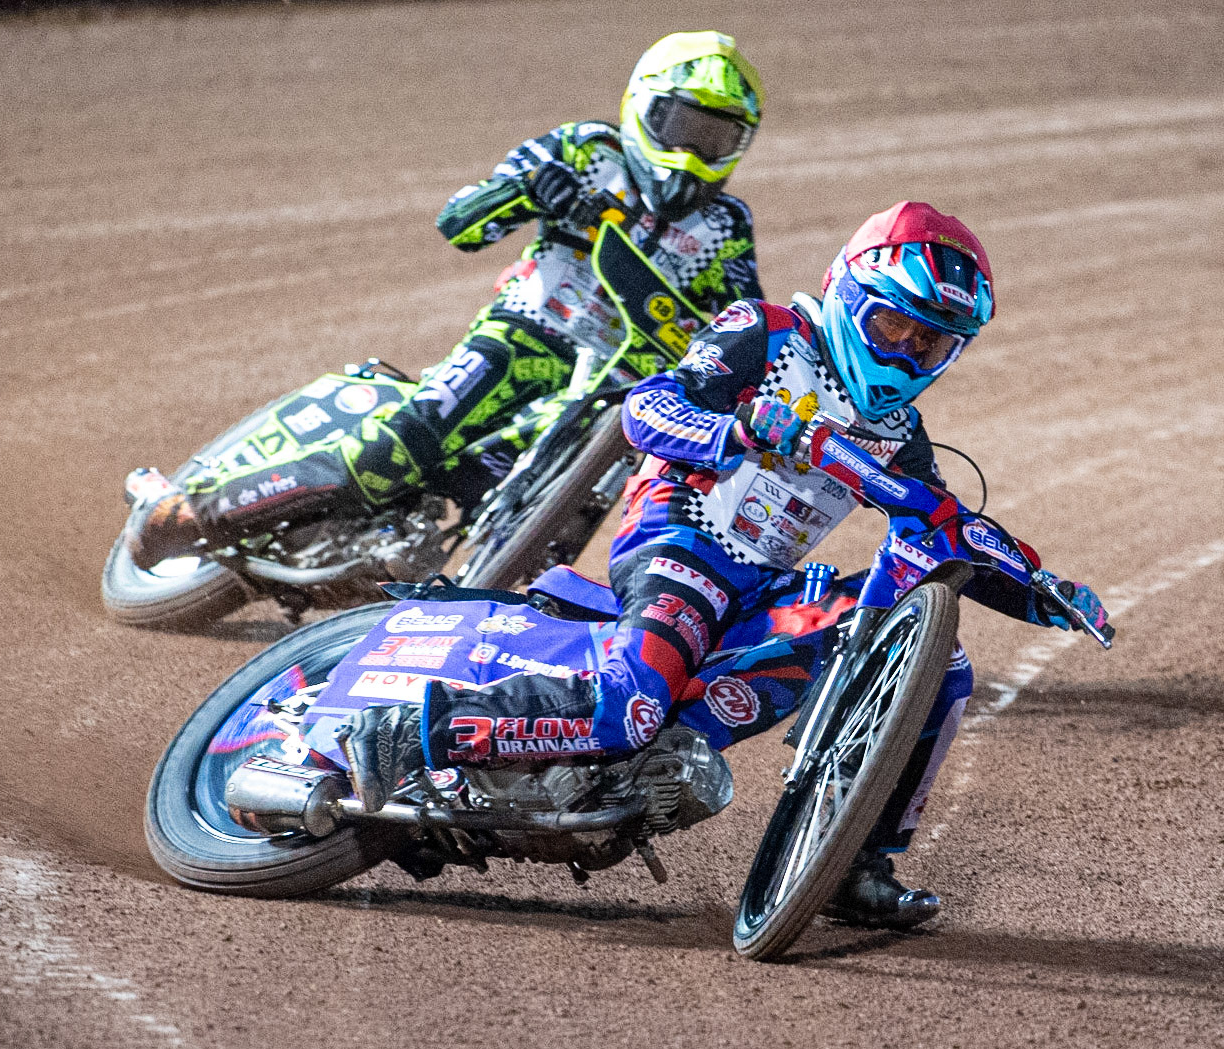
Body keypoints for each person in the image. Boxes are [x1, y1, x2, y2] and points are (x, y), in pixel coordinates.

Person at [344, 201, 1112, 930]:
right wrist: (738, 429)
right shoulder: (770, 332)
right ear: (848, 292)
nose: (908, 351)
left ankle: (855, 863)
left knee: (937, 663)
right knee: (631, 707)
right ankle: (408, 735)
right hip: (680, 536)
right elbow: (644, 408)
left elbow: (944, 527)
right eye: (892, 324)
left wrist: (1045, 592)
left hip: (763, 582)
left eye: (930, 343)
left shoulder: (899, 430)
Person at [126, 31, 765, 570]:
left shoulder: (725, 226)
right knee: (388, 456)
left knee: (555, 552)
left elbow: (744, 315)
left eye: (715, 137)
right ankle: (186, 513)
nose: (693, 150)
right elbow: (459, 223)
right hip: (529, 332)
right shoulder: (585, 149)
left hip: (621, 386)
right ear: (643, 107)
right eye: (683, 124)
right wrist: (531, 191)